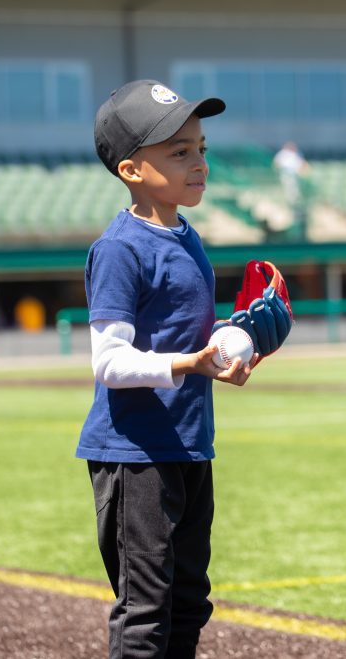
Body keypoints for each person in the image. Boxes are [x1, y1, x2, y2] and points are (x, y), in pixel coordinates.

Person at [78, 79, 289, 658]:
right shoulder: (120, 248)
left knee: (190, 600)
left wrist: (229, 351)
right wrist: (186, 363)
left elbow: (192, 341)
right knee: (146, 609)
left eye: (201, 148)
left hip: (191, 445)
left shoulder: (189, 237)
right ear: (131, 170)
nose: (199, 162)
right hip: (136, 454)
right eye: (178, 152)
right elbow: (109, 362)